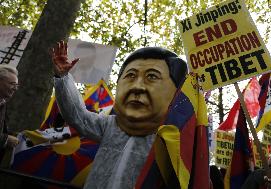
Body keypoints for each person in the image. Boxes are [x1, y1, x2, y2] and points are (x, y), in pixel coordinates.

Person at [51, 40, 188, 189]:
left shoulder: (173, 138)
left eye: (152, 77)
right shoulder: (111, 125)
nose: (137, 86)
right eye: (131, 75)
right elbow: (78, 117)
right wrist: (62, 78)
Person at [0, 64, 19, 154]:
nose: (15, 89)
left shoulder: (3, 102)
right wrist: (5, 139)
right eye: (12, 84)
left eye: (17, 85)